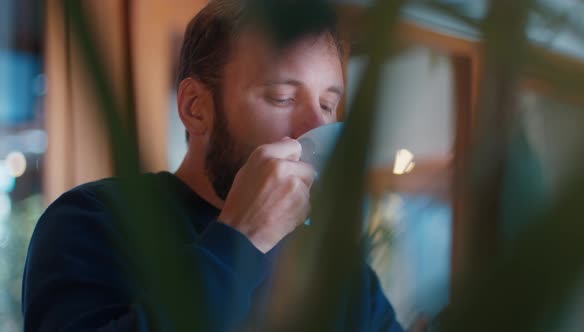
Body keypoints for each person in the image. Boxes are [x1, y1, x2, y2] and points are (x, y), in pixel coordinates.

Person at [22, 0, 405, 331]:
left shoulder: (341, 274)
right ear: (195, 107)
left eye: (327, 105)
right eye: (282, 97)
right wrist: (241, 240)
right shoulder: (93, 222)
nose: (319, 126)